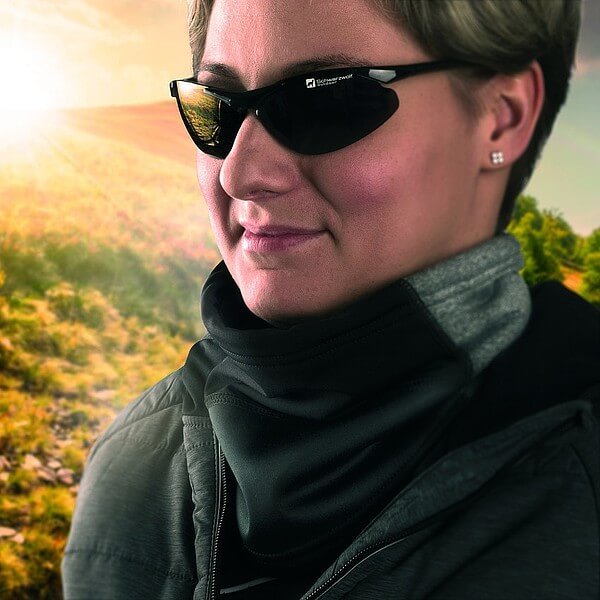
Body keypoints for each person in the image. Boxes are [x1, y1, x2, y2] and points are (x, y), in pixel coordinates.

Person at [62, 0, 600, 598]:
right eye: (216, 107)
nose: (240, 173)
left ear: (502, 116)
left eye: (325, 99)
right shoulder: (133, 465)